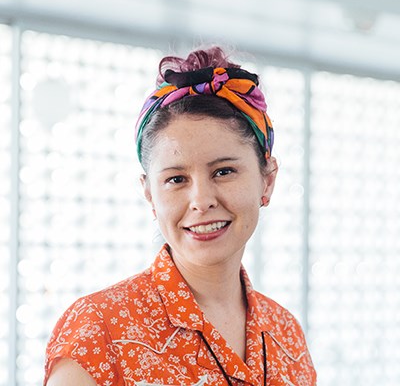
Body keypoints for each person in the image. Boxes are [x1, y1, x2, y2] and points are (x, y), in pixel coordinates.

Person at [44, 46, 316, 386]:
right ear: (150, 194)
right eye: (176, 179)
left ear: (268, 179)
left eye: (224, 172)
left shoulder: (285, 332)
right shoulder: (99, 330)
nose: (201, 201)